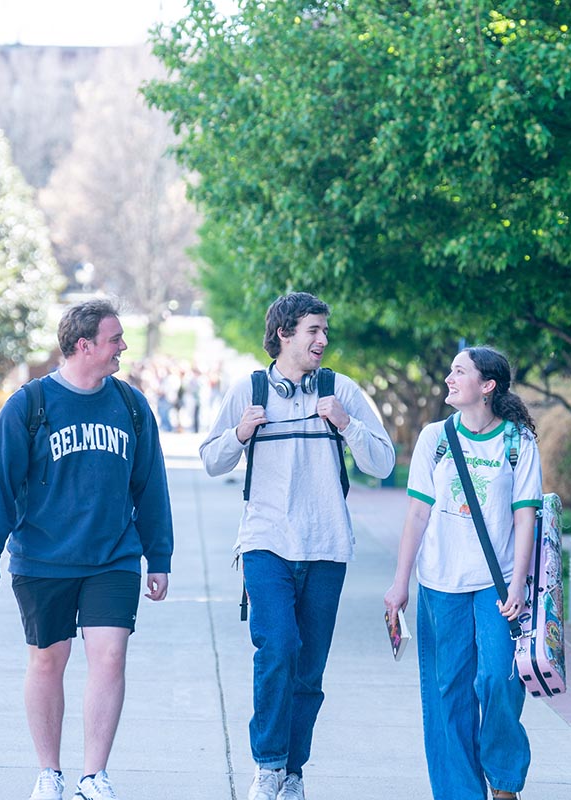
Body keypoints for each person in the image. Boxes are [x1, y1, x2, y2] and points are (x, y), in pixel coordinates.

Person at [0, 299, 174, 800]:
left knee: (110, 658)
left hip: (113, 557)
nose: (122, 347)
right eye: (114, 339)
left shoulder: (131, 405)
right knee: (47, 660)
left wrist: (159, 556)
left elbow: (151, 486)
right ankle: (50, 773)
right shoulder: (30, 405)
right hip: (43, 557)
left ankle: (94, 775)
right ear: (84, 345)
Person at [200, 292, 395, 800]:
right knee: (278, 648)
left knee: (309, 669)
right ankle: (267, 766)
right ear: (284, 333)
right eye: (313, 330)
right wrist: (240, 433)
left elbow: (384, 463)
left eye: (325, 330)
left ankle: (292, 771)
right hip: (265, 543)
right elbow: (211, 460)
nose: (323, 340)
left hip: (327, 546)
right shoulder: (250, 389)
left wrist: (347, 424)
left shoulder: (342, 390)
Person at [384, 345, 542, 800]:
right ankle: (459, 793)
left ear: (487, 386)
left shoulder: (517, 442)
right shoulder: (434, 437)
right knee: (447, 695)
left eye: (459, 372)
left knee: (498, 681)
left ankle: (504, 780)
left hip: (498, 586)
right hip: (440, 583)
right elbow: (417, 513)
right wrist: (400, 584)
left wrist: (518, 585)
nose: (449, 379)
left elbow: (525, 516)